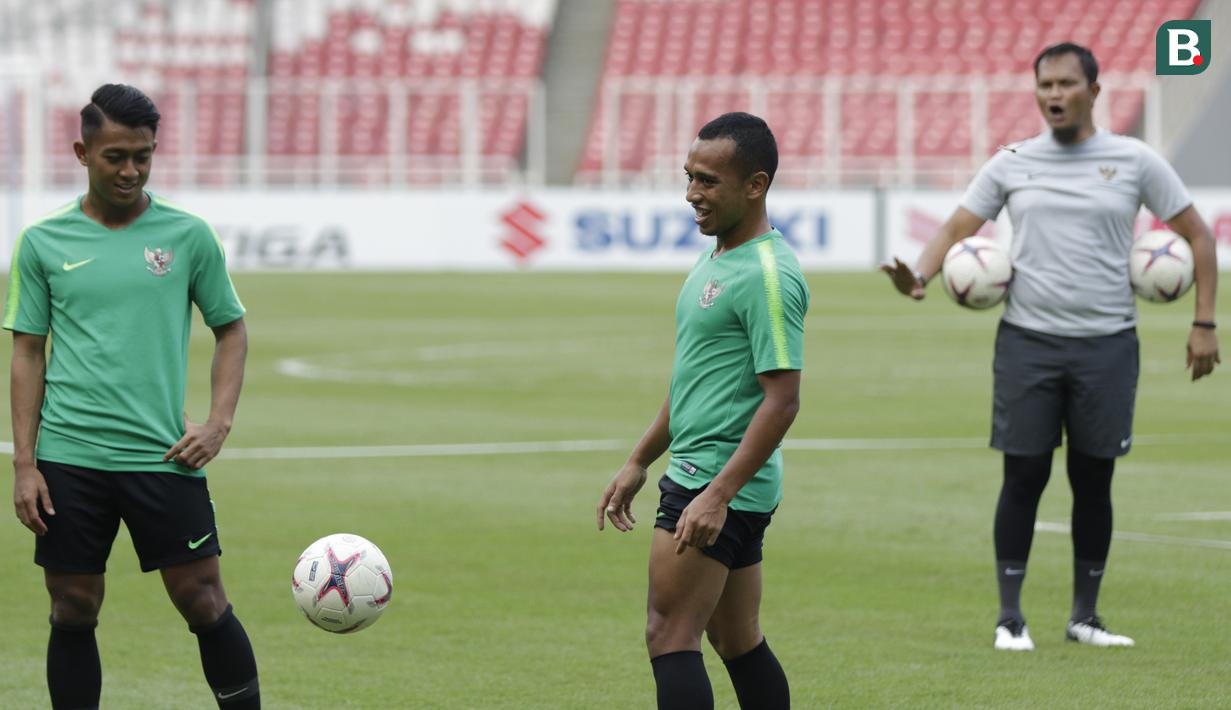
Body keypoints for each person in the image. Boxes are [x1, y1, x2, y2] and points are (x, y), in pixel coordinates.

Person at [883, 43, 1220, 651]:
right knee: (1024, 476)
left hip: (1108, 345)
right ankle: (1010, 618)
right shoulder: (1012, 161)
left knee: (1095, 481)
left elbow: (1197, 234)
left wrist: (1205, 323)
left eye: (1067, 84)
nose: (1054, 95)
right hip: (1028, 344)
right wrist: (921, 275)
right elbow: (959, 227)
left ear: (1094, 91)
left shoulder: (1135, 160)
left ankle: (1084, 617)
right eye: (1045, 85)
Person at [6, 84, 259, 707]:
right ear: (81, 152)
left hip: (161, 455)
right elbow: (27, 353)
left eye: (143, 156)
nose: (130, 170)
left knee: (203, 600)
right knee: (72, 604)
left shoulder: (188, 235)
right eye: (115, 156)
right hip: (70, 458)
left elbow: (231, 328)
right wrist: (25, 463)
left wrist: (218, 422)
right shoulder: (42, 242)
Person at [597, 112, 808, 709]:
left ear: (755, 185)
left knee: (670, 635)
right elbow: (693, 379)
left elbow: (784, 399)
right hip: (717, 479)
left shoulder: (768, 274)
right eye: (689, 176)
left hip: (710, 481)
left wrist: (715, 495)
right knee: (735, 637)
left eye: (708, 181)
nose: (692, 193)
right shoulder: (718, 257)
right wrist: (639, 460)